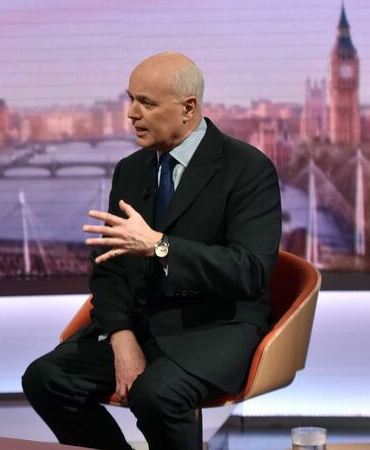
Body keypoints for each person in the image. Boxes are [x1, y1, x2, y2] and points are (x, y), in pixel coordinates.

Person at [22, 52, 282, 450]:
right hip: (142, 326)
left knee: (155, 395)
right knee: (45, 379)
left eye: (146, 103)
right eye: (130, 99)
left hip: (213, 327)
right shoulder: (131, 170)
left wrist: (160, 248)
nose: (131, 114)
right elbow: (107, 268)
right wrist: (121, 336)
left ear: (188, 108)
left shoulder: (248, 169)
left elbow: (248, 272)